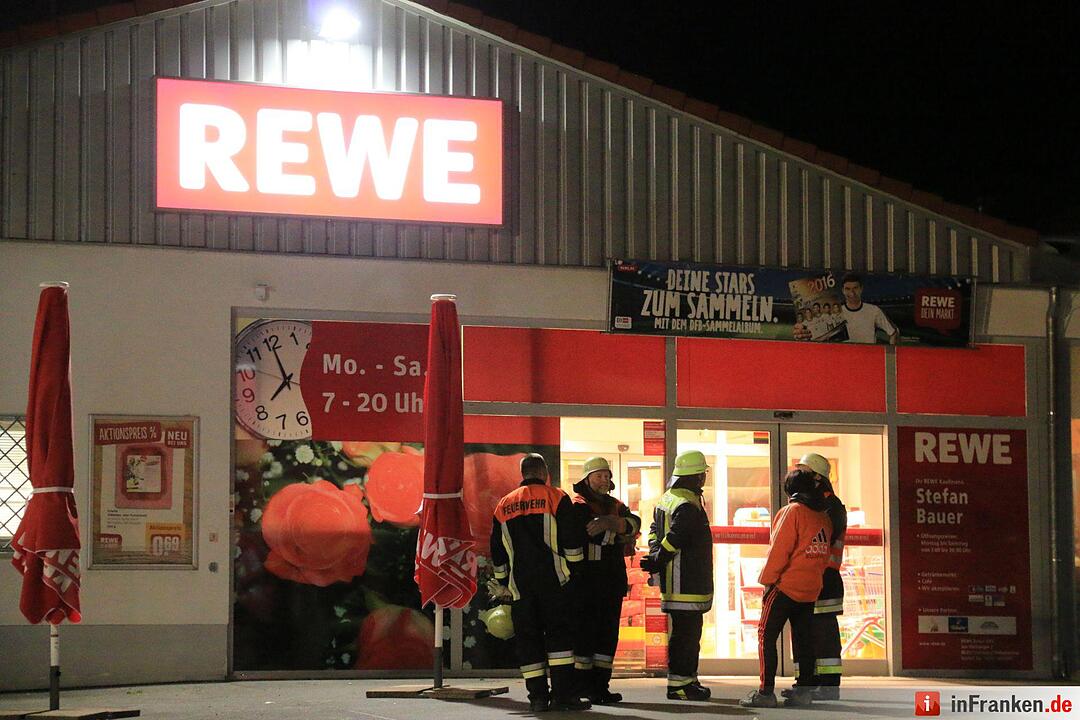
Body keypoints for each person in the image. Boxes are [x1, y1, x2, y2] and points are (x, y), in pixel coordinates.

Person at [489, 453, 591, 712]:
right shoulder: (556, 497)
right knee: (559, 640)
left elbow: (497, 551)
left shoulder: (503, 505)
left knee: (528, 641)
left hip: (520, 586)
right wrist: (577, 571)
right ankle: (563, 696)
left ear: (522, 474)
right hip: (555, 582)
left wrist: (503, 582)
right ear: (544, 473)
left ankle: (537, 698)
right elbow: (571, 540)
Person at [740, 468, 832, 709]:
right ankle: (804, 692)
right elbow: (824, 556)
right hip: (810, 589)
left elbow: (779, 550)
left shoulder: (792, 512)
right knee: (804, 640)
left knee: (766, 636)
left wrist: (768, 581)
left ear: (790, 490)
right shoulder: (823, 517)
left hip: (785, 587)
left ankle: (765, 692)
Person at [639, 450, 714, 701]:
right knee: (687, 637)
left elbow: (654, 532)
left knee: (683, 634)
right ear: (697, 476)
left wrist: (655, 555)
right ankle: (681, 686)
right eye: (702, 473)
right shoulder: (687, 504)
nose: (704, 478)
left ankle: (686, 681)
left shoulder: (668, 499)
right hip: (688, 582)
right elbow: (677, 537)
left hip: (675, 582)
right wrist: (659, 558)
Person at [570, 456, 642, 705]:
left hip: (611, 581)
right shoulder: (577, 504)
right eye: (599, 476)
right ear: (587, 478)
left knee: (608, 637)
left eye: (607, 476)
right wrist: (620, 534)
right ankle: (580, 687)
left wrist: (612, 523)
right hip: (585, 582)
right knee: (584, 636)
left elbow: (635, 524)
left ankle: (600, 687)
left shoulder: (616, 505)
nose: (604, 480)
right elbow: (587, 534)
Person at [783, 452, 847, 701]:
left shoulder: (830, 506)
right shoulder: (812, 504)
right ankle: (806, 682)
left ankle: (829, 685)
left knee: (823, 632)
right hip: (809, 576)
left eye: (805, 472)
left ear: (818, 477)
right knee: (805, 631)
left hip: (826, 578)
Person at [841, 272, 898, 344]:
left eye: (855, 288)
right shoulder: (837, 313)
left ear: (861, 289)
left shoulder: (874, 310)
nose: (852, 293)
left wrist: (891, 350)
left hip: (868, 351)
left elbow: (893, 332)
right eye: (848, 289)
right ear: (843, 290)